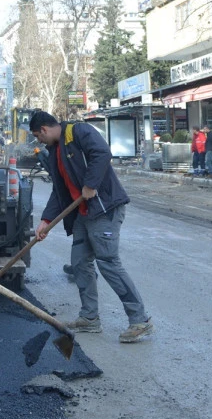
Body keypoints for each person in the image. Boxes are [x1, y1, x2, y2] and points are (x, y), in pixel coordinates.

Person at [29, 111, 153, 343]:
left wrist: (90, 184)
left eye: (38, 136)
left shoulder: (78, 131)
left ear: (44, 130)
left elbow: (102, 153)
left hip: (104, 209)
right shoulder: (55, 151)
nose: (39, 141)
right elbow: (60, 191)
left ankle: (139, 320)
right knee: (79, 263)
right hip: (82, 215)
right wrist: (46, 220)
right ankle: (89, 318)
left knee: (108, 263)